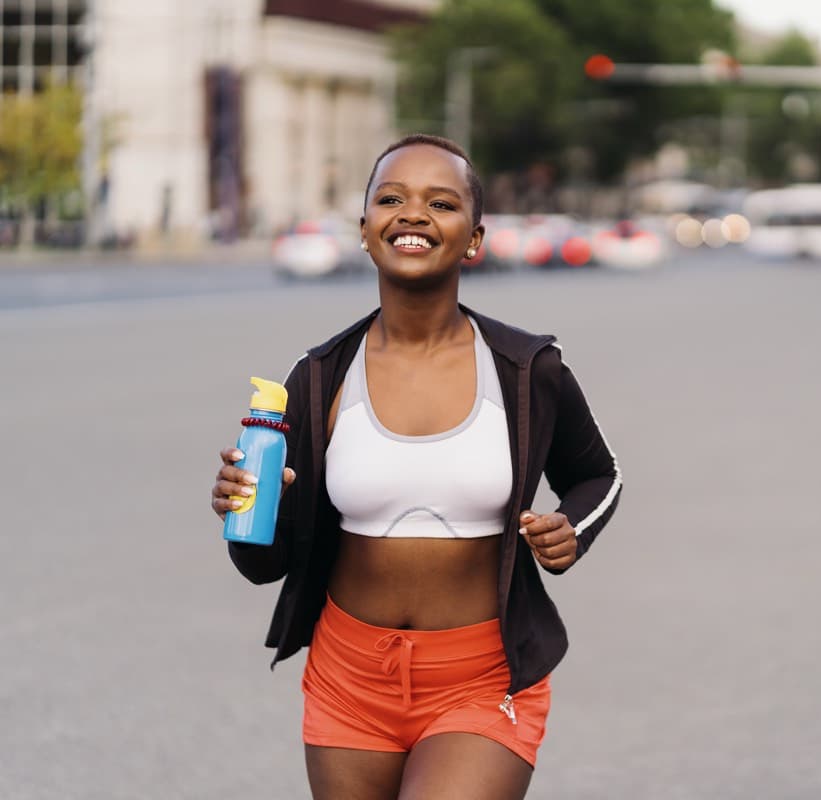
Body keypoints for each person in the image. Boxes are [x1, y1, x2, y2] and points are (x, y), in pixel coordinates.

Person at [210, 134, 622, 800]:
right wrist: (243, 508)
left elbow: (599, 475)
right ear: (366, 230)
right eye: (391, 199)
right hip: (349, 676)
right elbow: (264, 565)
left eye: (441, 202)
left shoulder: (526, 370)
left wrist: (571, 528)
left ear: (474, 238)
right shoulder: (318, 378)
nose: (413, 214)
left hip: (481, 676)